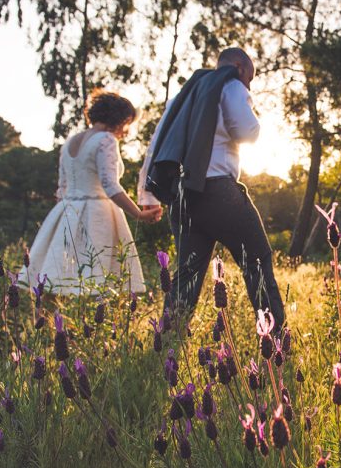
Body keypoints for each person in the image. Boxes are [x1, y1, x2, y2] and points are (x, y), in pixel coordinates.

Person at [139, 47, 285, 327]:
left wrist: (148, 195)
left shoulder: (182, 96)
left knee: (187, 275)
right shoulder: (230, 85)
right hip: (219, 194)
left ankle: (168, 340)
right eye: (250, 79)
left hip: (183, 197)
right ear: (240, 67)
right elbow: (247, 132)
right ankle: (276, 341)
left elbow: (156, 146)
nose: (248, 85)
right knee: (257, 261)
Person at [23, 90, 162, 294]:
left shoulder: (70, 141)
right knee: (98, 276)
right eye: (126, 124)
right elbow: (110, 185)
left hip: (67, 211)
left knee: (59, 275)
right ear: (119, 119)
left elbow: (62, 188)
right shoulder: (106, 140)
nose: (125, 132)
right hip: (98, 214)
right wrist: (138, 214)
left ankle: (51, 321)